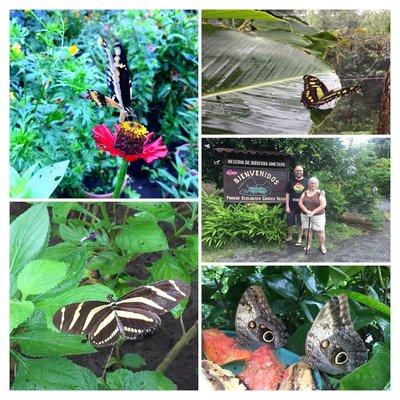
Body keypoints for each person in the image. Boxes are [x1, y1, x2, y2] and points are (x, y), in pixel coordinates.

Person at [298, 177, 327, 254]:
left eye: (315, 183)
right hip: (305, 215)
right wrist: (306, 211)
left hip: (318, 216)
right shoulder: (304, 192)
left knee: (320, 231)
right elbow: (300, 203)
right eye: (311, 183)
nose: (313, 184)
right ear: (309, 184)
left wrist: (313, 212)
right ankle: (308, 245)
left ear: (317, 185)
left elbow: (323, 205)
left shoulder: (320, 193)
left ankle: (322, 246)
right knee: (307, 231)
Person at [285, 165, 309, 246]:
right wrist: (287, 206)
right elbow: (287, 194)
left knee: (300, 223)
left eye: (300, 171)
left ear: (303, 171)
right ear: (294, 171)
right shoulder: (290, 181)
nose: (299, 172)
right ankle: (290, 236)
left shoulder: (307, 181)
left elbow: (312, 191)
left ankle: (299, 239)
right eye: (297, 171)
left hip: (302, 207)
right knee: (289, 222)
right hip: (291, 206)